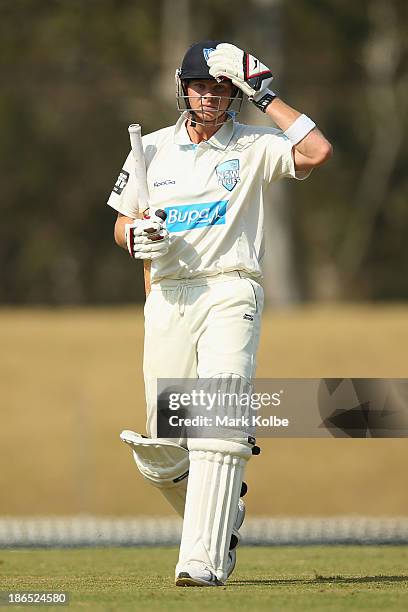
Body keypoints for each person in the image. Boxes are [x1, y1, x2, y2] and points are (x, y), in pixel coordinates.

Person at [108, 40, 332, 587]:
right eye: (201, 86)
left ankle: (200, 564)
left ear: (234, 94)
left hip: (231, 289)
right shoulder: (152, 150)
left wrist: (267, 95)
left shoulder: (253, 144)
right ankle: (222, 513)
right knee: (164, 446)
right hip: (167, 295)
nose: (210, 96)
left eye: (221, 88)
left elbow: (316, 152)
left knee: (218, 420)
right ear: (183, 89)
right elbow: (121, 222)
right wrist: (137, 236)